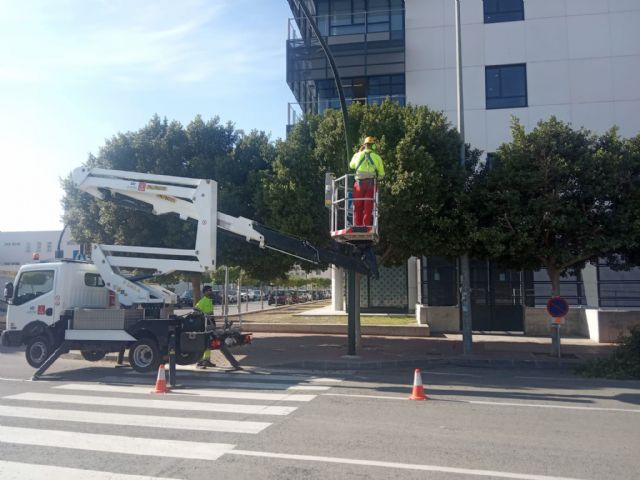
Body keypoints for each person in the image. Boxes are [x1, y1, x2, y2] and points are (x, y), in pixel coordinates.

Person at [349, 136, 385, 227]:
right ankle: (366, 226)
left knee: (357, 206)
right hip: (371, 184)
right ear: (373, 146)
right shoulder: (377, 157)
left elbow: (351, 166)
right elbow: (382, 174)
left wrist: (359, 152)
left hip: (358, 184)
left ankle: (357, 225)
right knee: (368, 206)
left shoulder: (357, 155)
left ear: (364, 145)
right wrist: (379, 178)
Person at [194, 285, 216, 368]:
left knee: (209, 343)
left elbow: (210, 313)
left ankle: (206, 360)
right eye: (209, 290)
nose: (211, 291)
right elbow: (195, 309)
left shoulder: (210, 300)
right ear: (205, 292)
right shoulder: (203, 301)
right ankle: (202, 360)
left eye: (211, 290)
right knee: (205, 343)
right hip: (205, 325)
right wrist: (203, 316)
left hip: (210, 323)